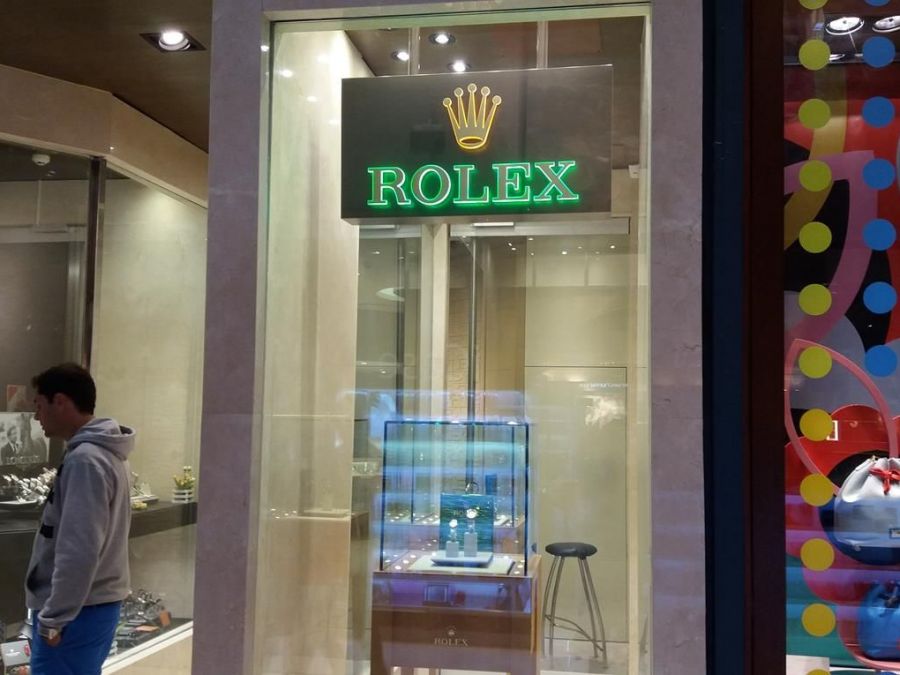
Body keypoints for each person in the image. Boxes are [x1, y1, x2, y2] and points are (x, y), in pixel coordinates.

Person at [24, 363, 135, 675]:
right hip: (92, 608)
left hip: (76, 613)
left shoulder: (85, 460)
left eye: (39, 405)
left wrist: (54, 618)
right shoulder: (106, 453)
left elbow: (79, 549)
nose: (36, 417)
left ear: (60, 401)